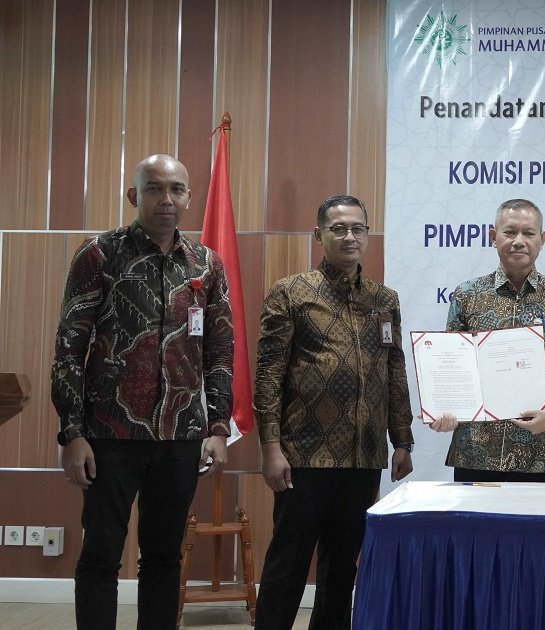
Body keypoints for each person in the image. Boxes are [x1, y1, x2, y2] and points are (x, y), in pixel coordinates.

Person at [51, 154, 233, 630]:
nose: (166, 199)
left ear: (189, 197)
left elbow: (219, 349)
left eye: (176, 189)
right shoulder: (99, 254)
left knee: (164, 557)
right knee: (100, 555)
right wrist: (72, 433)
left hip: (181, 435)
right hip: (109, 433)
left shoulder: (206, 264)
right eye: (154, 188)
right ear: (134, 196)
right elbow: (70, 347)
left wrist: (218, 428)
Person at [254, 195, 415, 630]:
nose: (349, 236)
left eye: (357, 228)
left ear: (367, 234)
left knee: (342, 569)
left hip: (364, 456)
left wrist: (402, 439)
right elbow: (268, 375)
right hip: (303, 454)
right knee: (287, 565)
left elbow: (394, 368)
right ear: (319, 235)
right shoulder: (292, 292)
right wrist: (270, 447)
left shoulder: (384, 299)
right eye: (338, 228)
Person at [428, 198, 545, 482]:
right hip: (475, 452)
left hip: (541, 453)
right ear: (493, 237)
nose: (519, 241)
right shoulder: (467, 295)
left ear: (542, 239)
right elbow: (452, 365)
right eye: (509, 232)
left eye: (528, 233)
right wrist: (444, 410)